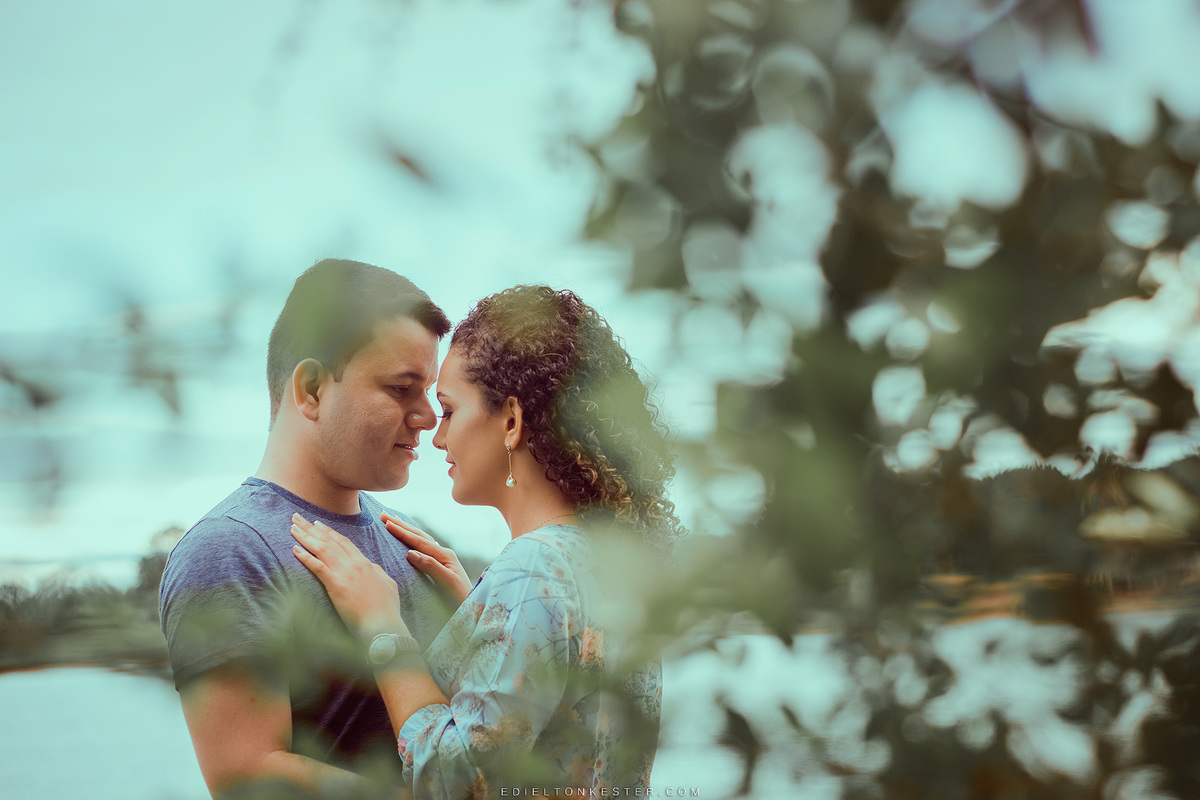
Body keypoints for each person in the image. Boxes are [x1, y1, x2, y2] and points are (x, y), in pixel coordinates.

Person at [290, 286, 682, 798]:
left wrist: (383, 627)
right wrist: (480, 610)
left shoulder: (534, 569)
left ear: (513, 422)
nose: (437, 435)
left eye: (449, 410)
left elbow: (455, 781)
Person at [159, 259, 454, 799]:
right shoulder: (230, 550)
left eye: (429, 390)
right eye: (401, 388)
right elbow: (245, 776)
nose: (428, 416)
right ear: (313, 388)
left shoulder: (408, 535)